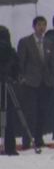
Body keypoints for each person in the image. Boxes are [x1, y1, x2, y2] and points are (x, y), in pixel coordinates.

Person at [17, 16, 54, 150]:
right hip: (30, 82)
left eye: (44, 25)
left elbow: (52, 63)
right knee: (30, 112)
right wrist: (22, 77)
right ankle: (27, 138)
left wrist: (52, 78)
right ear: (34, 26)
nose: (42, 28)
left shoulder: (49, 43)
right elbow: (21, 61)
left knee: (42, 111)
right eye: (39, 25)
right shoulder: (25, 42)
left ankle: (39, 138)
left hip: (45, 82)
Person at [0, 26, 20, 155]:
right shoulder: (11, 50)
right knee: (9, 116)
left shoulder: (10, 51)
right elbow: (17, 68)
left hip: (5, 84)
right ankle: (10, 147)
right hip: (7, 85)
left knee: (8, 114)